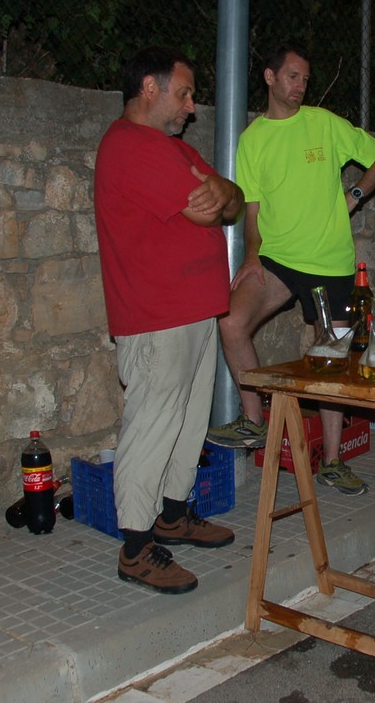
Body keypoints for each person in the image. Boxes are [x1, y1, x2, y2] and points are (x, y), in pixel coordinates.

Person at [208, 43, 375, 496]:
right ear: (270, 77)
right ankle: (254, 420)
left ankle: (332, 461)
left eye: (306, 79)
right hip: (277, 259)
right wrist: (251, 254)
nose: (300, 86)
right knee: (230, 321)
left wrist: (354, 197)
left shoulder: (323, 123)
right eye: (293, 76)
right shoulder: (253, 139)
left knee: (330, 359)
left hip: (330, 261)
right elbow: (252, 210)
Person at [95, 47, 244, 593]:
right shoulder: (129, 145)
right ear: (149, 89)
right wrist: (220, 195)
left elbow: (234, 203)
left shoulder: (174, 148)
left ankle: (173, 515)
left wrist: (226, 191)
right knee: (153, 424)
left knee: (188, 420)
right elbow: (207, 211)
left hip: (193, 310)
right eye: (183, 93)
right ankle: (136, 549)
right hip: (155, 314)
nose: (191, 106)